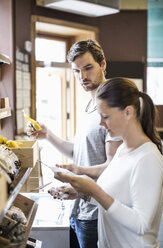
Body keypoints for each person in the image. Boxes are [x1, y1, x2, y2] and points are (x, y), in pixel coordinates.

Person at [27, 39, 122, 248]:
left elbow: (114, 169)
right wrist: (48, 135)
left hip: (98, 215)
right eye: (77, 71)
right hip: (79, 210)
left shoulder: (114, 105)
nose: (83, 77)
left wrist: (77, 180)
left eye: (88, 68)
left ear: (103, 64)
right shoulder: (90, 104)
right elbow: (80, 152)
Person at [55, 77, 163, 248]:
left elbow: (141, 224)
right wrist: (83, 194)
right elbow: (116, 199)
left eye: (105, 116)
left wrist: (94, 190)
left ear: (128, 112)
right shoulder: (122, 150)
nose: (101, 123)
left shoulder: (147, 158)